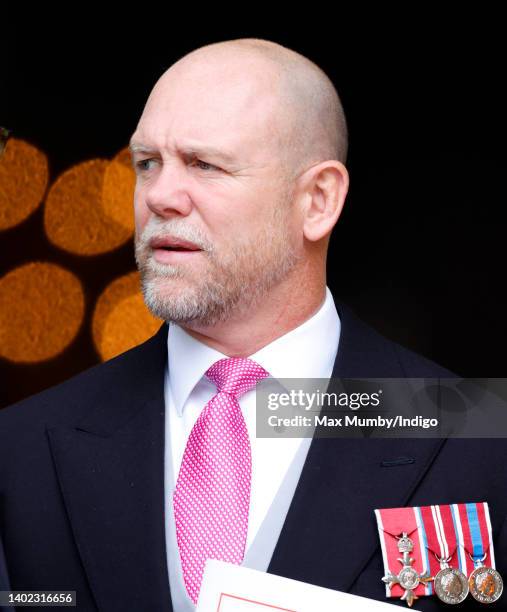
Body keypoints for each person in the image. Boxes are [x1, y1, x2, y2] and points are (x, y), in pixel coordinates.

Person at [0, 38, 505, 612]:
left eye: (204, 164)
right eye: (147, 164)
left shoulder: (475, 436)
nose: (159, 196)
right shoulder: (20, 450)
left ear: (317, 199)